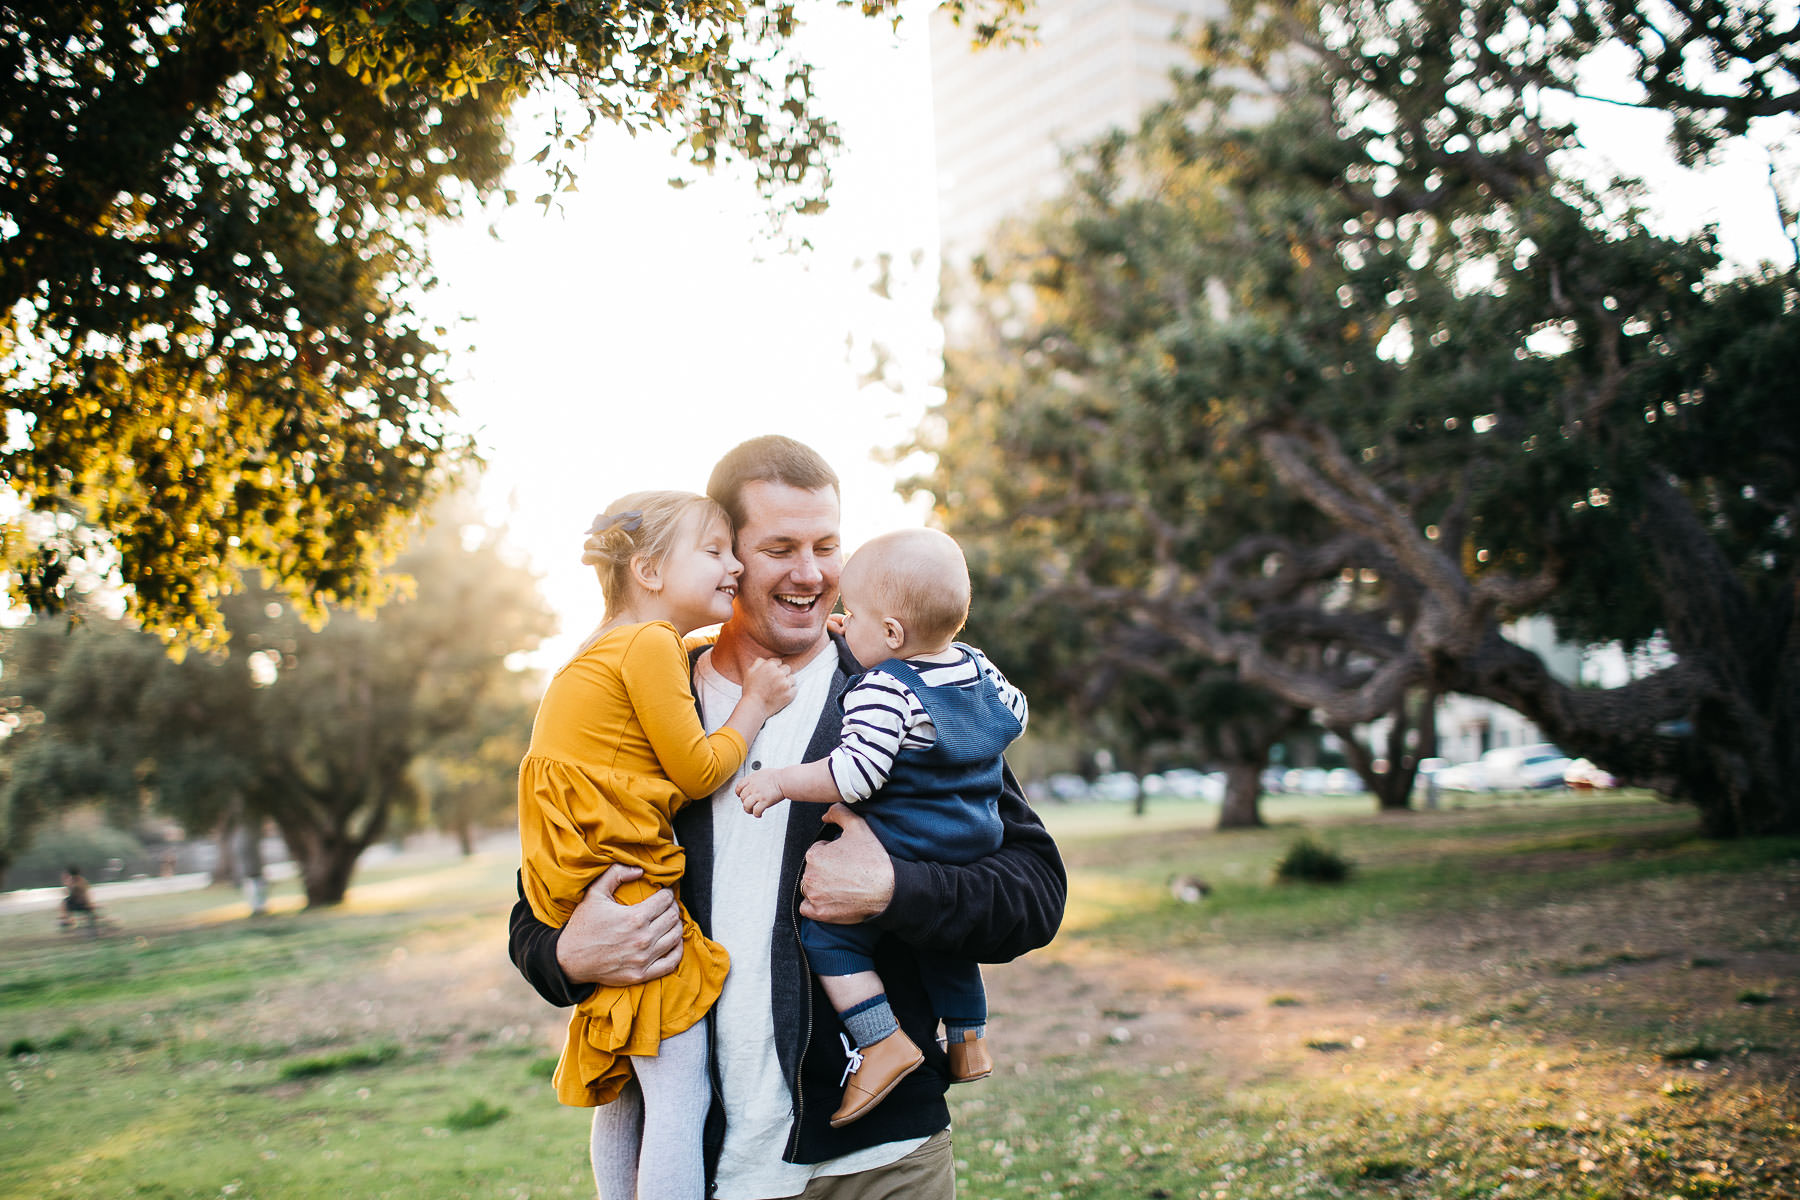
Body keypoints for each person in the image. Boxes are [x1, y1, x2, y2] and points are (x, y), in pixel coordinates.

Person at [508, 435, 1066, 1200]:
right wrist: (567, 953)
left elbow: (1035, 892)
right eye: (778, 549)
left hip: (886, 1163)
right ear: (727, 556)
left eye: (826, 546)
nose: (811, 574)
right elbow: (539, 896)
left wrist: (894, 890)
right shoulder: (642, 693)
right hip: (712, 1175)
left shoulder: (905, 693)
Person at [517, 489, 797, 1200]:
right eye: (714, 551)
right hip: (631, 885)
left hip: (584, 882)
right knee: (679, 1092)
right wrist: (756, 703)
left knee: (630, 1088)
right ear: (647, 570)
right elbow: (698, 771)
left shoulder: (605, 646)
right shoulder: (649, 646)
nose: (735, 566)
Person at [735, 528, 1028, 1128]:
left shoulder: (883, 688)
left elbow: (856, 775)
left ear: (892, 634)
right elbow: (1015, 714)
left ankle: (880, 1040)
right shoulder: (975, 664)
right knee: (942, 938)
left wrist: (782, 781)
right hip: (975, 835)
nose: (843, 624)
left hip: (909, 837)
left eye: (855, 616)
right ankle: (968, 1040)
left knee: (827, 935)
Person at [59, 865, 95, 931]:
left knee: (65, 901)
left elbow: (69, 892)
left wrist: (66, 882)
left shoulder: (74, 881)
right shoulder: (81, 880)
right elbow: (86, 893)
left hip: (79, 903)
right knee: (65, 901)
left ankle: (68, 919)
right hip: (81, 903)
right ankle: (68, 919)